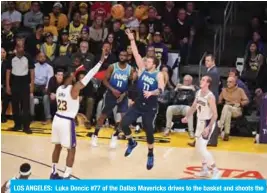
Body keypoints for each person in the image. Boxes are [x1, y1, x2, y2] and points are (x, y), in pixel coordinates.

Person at [50, 49, 106, 179]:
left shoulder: (59, 89)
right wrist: (100, 62)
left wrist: (73, 72)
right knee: (71, 149)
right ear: (71, 79)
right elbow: (89, 76)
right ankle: (66, 176)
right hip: (66, 122)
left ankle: (53, 172)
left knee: (57, 147)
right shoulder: (74, 89)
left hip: (56, 119)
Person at [121, 29, 165, 170]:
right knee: (124, 124)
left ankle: (150, 153)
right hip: (139, 103)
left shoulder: (159, 75)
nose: (146, 62)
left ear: (154, 64)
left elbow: (161, 89)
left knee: (148, 130)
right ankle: (131, 142)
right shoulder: (142, 69)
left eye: (149, 61)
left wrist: (152, 92)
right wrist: (132, 39)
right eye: (146, 61)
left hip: (150, 106)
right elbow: (136, 53)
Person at [91, 50, 134, 148]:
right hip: (111, 94)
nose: (122, 57)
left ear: (127, 57)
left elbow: (131, 85)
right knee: (103, 116)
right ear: (119, 56)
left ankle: (115, 135)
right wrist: (113, 90)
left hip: (123, 96)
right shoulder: (112, 67)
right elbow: (105, 81)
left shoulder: (130, 69)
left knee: (125, 118)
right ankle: (95, 135)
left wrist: (124, 94)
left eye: (124, 55)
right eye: (121, 55)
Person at [182, 76, 220, 179]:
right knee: (198, 147)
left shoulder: (210, 96)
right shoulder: (198, 93)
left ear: (208, 83)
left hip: (207, 123)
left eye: (203, 80)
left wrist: (208, 128)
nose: (201, 81)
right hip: (199, 122)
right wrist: (187, 116)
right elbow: (194, 106)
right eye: (201, 79)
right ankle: (205, 170)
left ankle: (215, 170)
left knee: (202, 148)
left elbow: (215, 115)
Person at [6, 44, 34, 134]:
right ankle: (17, 125)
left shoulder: (28, 57)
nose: (21, 49)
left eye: (22, 47)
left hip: (25, 83)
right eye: (19, 47)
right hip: (15, 82)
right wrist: (8, 85)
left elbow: (32, 71)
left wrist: (32, 84)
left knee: (26, 106)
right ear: (16, 48)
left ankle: (26, 127)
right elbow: (8, 71)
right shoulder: (11, 57)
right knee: (15, 106)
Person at [218, 76, 249, 141]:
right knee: (227, 111)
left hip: (236, 109)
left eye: (230, 82)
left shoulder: (240, 90)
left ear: (235, 83)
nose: (228, 83)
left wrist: (240, 104)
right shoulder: (224, 90)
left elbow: (246, 101)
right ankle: (226, 134)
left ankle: (220, 126)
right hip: (227, 110)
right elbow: (219, 101)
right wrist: (221, 101)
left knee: (226, 107)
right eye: (227, 82)